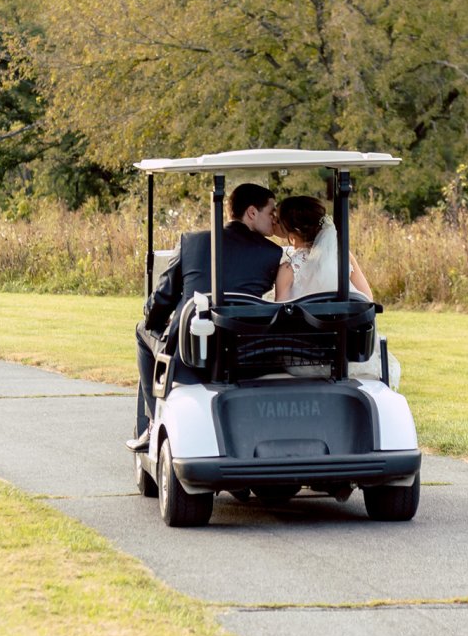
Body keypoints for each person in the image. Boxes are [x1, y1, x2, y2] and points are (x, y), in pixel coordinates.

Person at [128, 182, 282, 452]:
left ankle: (153, 424)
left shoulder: (192, 242)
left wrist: (155, 320)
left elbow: (163, 298)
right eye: (271, 212)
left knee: (143, 331)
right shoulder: (272, 254)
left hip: (192, 353)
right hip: (244, 351)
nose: (275, 218)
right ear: (251, 213)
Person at [273, 196, 399, 387]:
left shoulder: (288, 269)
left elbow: (280, 316)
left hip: (304, 360)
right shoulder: (343, 256)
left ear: (291, 231)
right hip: (349, 356)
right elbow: (366, 299)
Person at [273, 195, 373, 301]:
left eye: (278, 220)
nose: (273, 222)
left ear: (295, 232)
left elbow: (282, 311)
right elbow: (366, 298)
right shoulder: (342, 254)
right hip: (347, 317)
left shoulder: (289, 269)